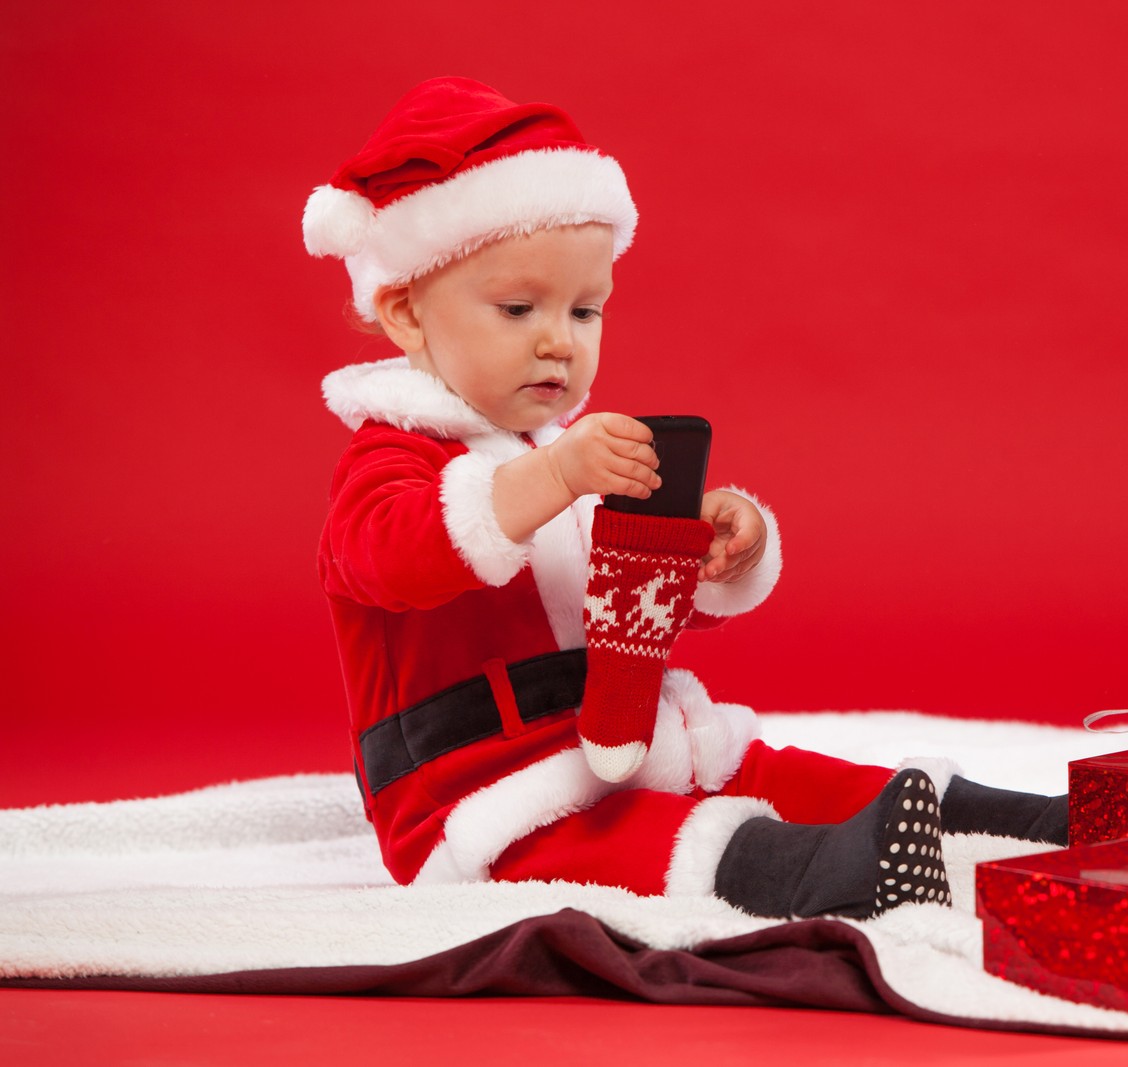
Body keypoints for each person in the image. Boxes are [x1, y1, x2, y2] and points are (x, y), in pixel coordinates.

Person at [306, 77, 1069, 919]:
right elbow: (396, 554)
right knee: (633, 839)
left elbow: (634, 602)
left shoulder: (567, 450)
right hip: (479, 784)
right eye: (519, 307)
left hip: (618, 737)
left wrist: (709, 551)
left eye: (586, 310)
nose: (559, 339)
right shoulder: (388, 457)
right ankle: (803, 868)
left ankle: (1002, 820)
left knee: (774, 770)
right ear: (407, 313)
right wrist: (558, 481)